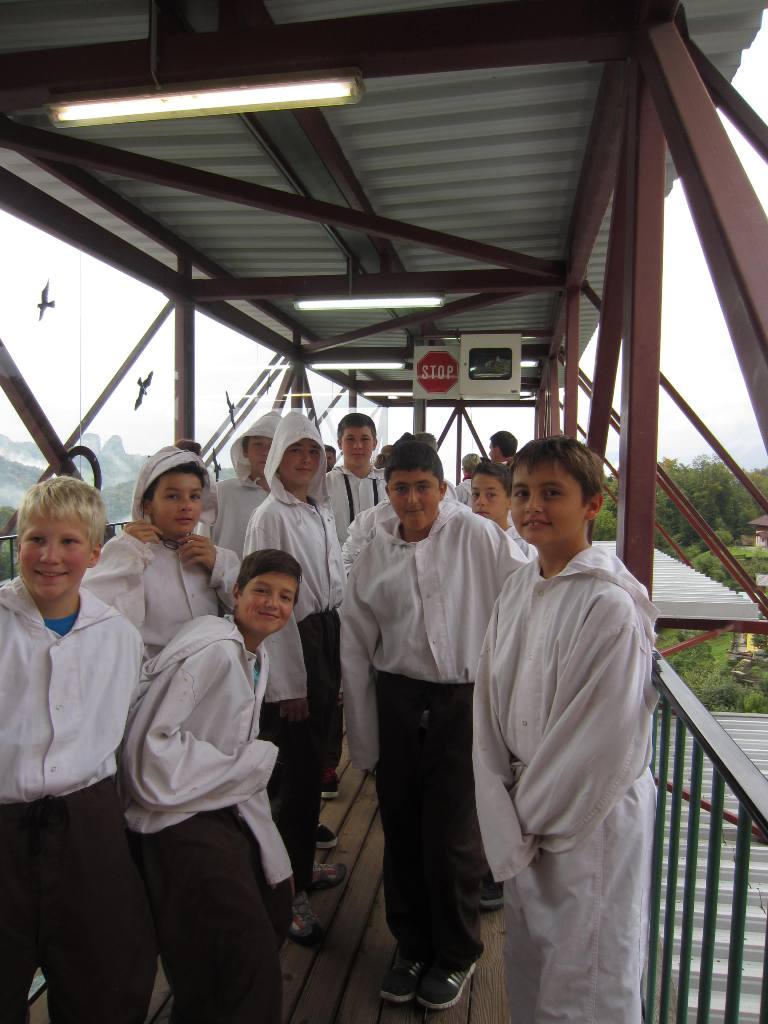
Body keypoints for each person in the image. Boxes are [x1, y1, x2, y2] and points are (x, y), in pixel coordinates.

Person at [472, 437, 658, 1024]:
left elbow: (596, 744)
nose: (533, 506)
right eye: (523, 492)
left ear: (592, 504)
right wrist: (500, 807)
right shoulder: (518, 587)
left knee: (586, 981)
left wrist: (519, 821)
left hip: (585, 820)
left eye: (552, 493)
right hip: (526, 812)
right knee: (532, 967)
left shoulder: (608, 606)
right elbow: (487, 706)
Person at [341, 440, 528, 1012]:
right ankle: (412, 944)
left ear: (444, 489)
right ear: (388, 491)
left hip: (462, 700)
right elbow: (356, 647)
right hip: (398, 698)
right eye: (401, 487)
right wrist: (364, 741)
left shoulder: (479, 536)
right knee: (400, 827)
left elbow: (527, 595)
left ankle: (456, 951)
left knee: (451, 833)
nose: (413, 498)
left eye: (424, 486)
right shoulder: (375, 554)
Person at [0, 477, 156, 1024]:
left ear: (94, 553)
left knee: (103, 980)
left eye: (68, 542)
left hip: (88, 823)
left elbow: (126, 725)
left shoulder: (118, 636)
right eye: (36, 540)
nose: (50, 557)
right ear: (19, 545)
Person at [121, 549, 300, 1024]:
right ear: (236, 592)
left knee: (269, 913)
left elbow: (235, 760)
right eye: (262, 590)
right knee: (245, 958)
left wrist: (276, 857)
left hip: (210, 803)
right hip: (174, 818)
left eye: (285, 597)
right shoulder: (214, 653)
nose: (272, 604)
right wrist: (247, 763)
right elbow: (148, 753)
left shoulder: (252, 655)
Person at [243, 411, 347, 945]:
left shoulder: (318, 509)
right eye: (294, 451)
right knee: (292, 778)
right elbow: (268, 603)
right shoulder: (271, 516)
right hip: (295, 643)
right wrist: (288, 685)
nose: (306, 460)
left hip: (324, 637)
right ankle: (287, 892)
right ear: (277, 459)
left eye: (312, 450)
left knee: (311, 771)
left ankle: (300, 866)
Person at [83, 445, 240, 659]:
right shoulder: (128, 552)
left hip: (211, 669)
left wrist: (220, 567)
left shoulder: (215, 556)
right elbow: (93, 610)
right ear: (147, 505)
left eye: (194, 496)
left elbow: (247, 609)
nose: (186, 506)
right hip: (150, 675)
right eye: (173, 496)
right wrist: (127, 551)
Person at [212, 411, 281, 556]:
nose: (265, 452)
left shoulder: (294, 498)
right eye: (258, 444)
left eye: (272, 445)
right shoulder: (222, 492)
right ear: (245, 451)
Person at [326, 412, 385, 545]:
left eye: (365, 439)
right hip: (337, 557)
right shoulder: (324, 484)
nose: (358, 446)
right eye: (350, 439)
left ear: (375, 443)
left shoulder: (389, 484)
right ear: (339, 443)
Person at [470, 459, 531, 559]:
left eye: (491, 495)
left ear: (510, 500)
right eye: (476, 494)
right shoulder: (466, 541)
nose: (480, 502)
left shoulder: (521, 546)